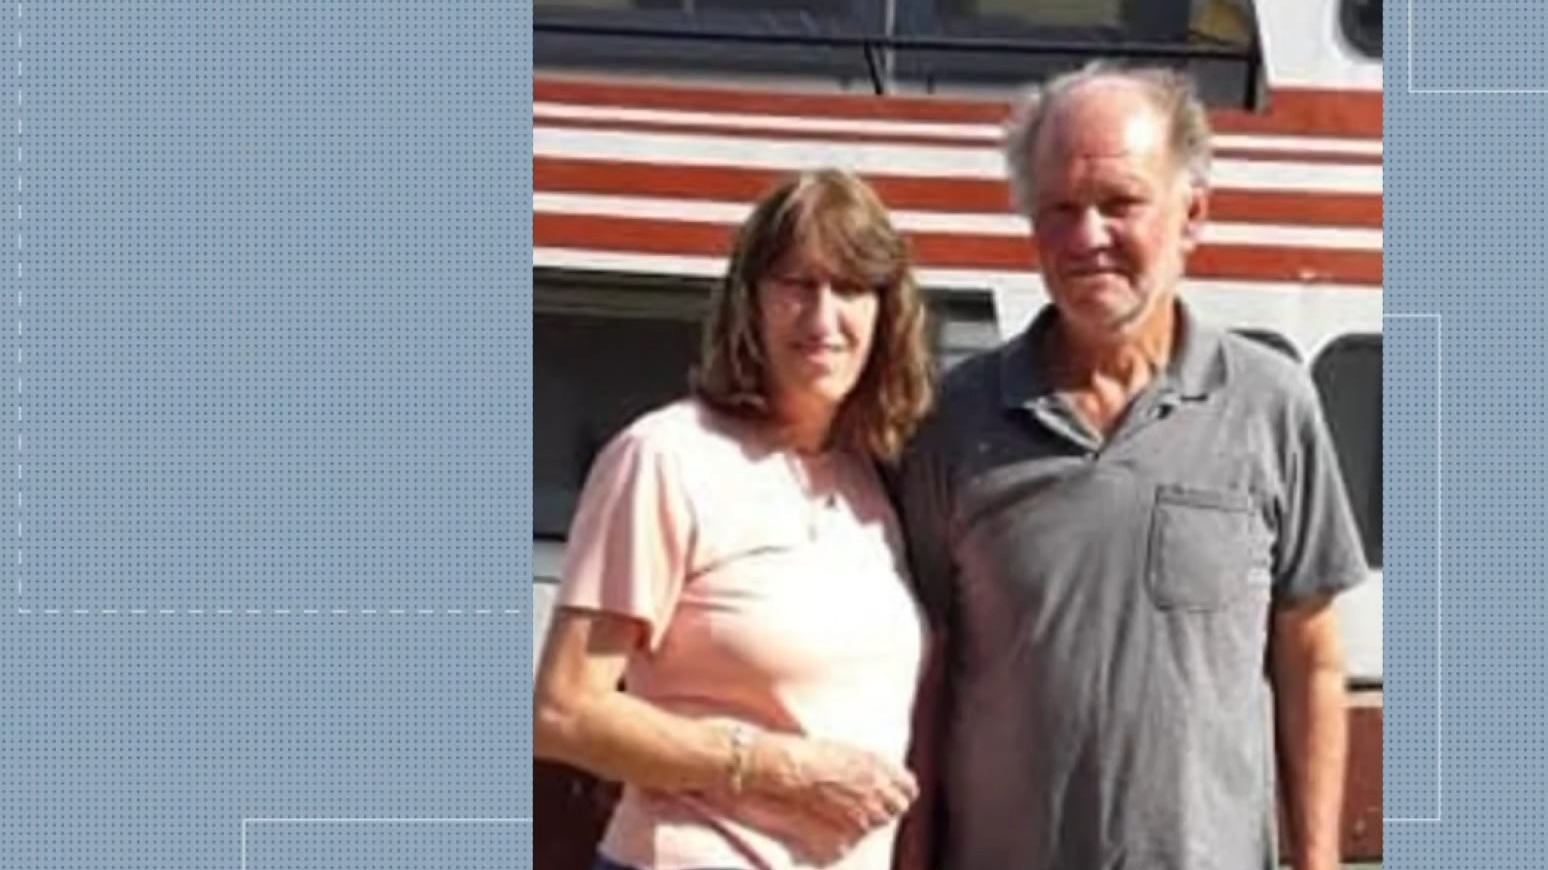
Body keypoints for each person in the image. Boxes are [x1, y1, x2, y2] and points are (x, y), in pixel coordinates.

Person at [896, 66, 1370, 870]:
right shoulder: (955, 421)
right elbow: (925, 678)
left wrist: (1316, 861)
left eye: (1119, 203)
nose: (1087, 238)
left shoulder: (1271, 404)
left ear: (1192, 215)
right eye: (1059, 209)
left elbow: (1312, 659)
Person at [534, 168, 935, 870]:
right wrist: (783, 767)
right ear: (750, 302)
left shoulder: (869, 480)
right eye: (796, 285)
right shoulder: (665, 458)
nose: (822, 318)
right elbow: (564, 711)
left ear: (886, 310)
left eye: (849, 287)